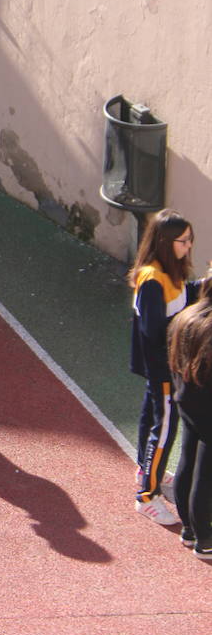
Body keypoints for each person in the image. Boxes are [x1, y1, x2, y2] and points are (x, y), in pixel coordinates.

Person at [128, 208, 196, 525]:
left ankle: (146, 469)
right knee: (165, 428)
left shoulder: (170, 272)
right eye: (183, 241)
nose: (188, 246)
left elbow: (183, 297)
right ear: (167, 242)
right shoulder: (153, 279)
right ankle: (147, 496)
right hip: (163, 367)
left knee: (150, 417)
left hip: (164, 366)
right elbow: (155, 329)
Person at [168, 270, 212, 559]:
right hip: (207, 404)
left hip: (186, 398)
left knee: (187, 458)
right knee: (206, 475)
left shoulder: (187, 316)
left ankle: (189, 529)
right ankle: (205, 541)